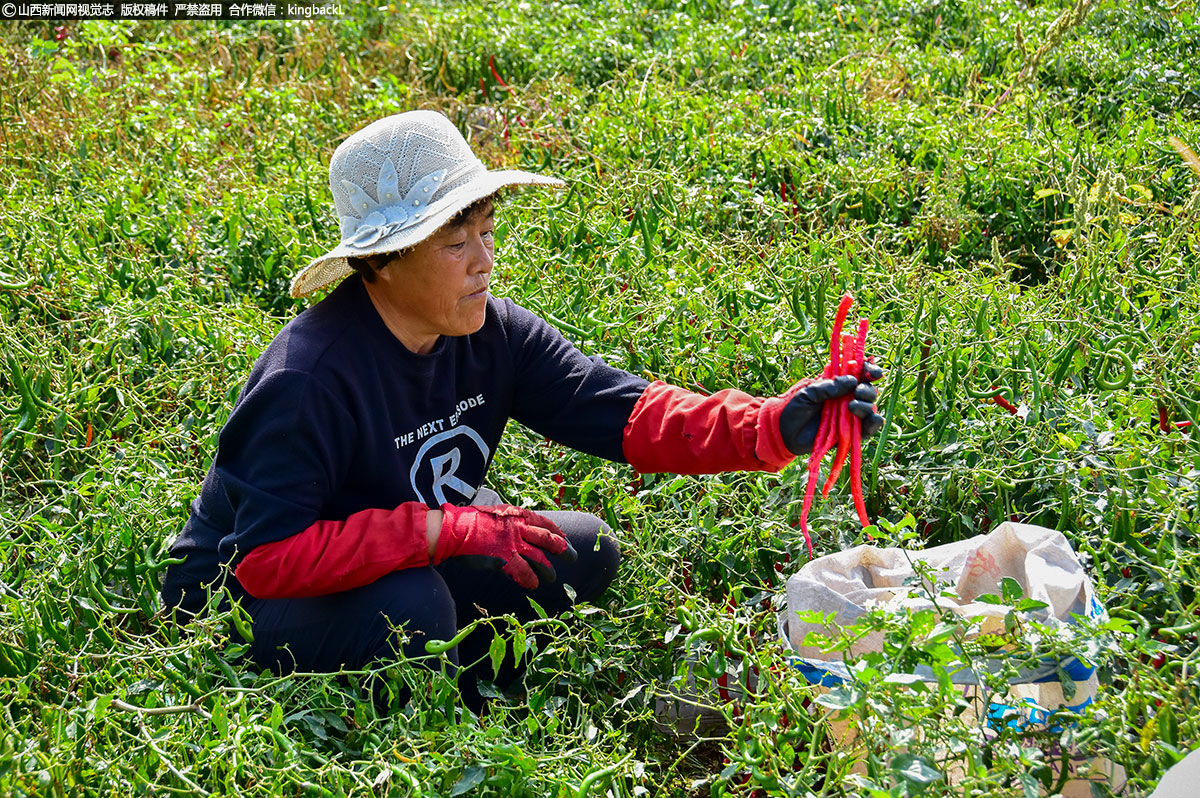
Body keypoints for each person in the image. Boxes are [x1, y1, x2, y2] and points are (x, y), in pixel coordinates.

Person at [160, 109, 884, 709]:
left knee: (582, 550)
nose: (484, 260)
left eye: (487, 231)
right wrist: (443, 527)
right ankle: (418, 711)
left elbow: (625, 412)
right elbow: (266, 561)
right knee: (415, 608)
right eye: (455, 241)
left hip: (402, 545)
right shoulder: (309, 379)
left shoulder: (492, 334)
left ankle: (463, 670)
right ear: (382, 262)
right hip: (240, 599)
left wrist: (770, 426)